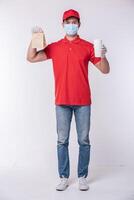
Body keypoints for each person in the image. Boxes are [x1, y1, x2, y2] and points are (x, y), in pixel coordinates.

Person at [26, 9, 110, 191]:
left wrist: (103, 55)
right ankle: (64, 177)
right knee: (62, 141)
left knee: (84, 141)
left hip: (83, 102)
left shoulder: (88, 47)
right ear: (63, 24)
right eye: (68, 21)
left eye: (74, 21)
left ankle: (82, 177)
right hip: (61, 101)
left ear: (79, 24)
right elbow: (31, 58)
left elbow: (105, 70)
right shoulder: (55, 47)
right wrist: (35, 39)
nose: (71, 24)